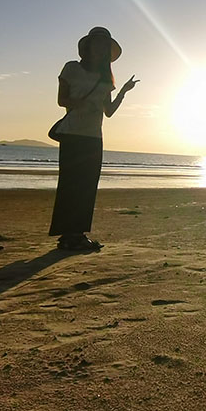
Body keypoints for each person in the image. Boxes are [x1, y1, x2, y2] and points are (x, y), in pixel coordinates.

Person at [49, 26, 138, 251]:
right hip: (72, 134)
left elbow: (108, 111)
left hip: (93, 137)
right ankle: (67, 235)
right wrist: (82, 104)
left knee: (88, 188)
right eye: (97, 43)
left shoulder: (105, 78)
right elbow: (62, 100)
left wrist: (123, 92)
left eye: (104, 46)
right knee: (69, 186)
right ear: (88, 47)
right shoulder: (71, 68)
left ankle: (77, 235)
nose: (100, 48)